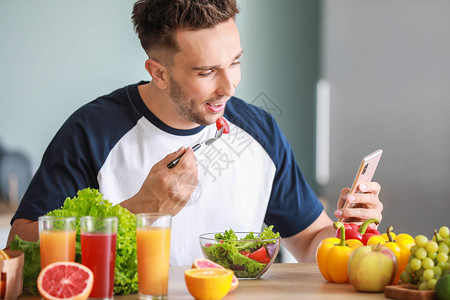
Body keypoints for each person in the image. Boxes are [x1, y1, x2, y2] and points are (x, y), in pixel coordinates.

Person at [7, 0, 382, 265]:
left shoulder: (258, 131)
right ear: (159, 72)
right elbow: (19, 245)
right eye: (206, 72)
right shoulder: (91, 131)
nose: (229, 86)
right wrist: (140, 210)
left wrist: (348, 234)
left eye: (235, 63)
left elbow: (308, 240)